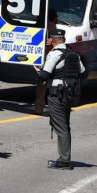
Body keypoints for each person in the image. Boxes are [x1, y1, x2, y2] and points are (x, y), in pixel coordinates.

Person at [38, 29, 86, 170]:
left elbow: (44, 75)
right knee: (65, 126)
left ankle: (64, 160)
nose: (48, 41)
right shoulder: (73, 53)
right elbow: (82, 71)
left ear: (53, 40)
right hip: (69, 94)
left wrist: (38, 72)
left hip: (56, 95)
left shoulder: (54, 54)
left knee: (61, 127)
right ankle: (64, 158)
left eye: (49, 39)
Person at [34, 8, 59, 115]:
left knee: (41, 85)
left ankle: (38, 108)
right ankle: (55, 109)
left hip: (40, 57)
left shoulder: (38, 24)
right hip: (50, 57)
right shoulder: (52, 26)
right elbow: (54, 41)